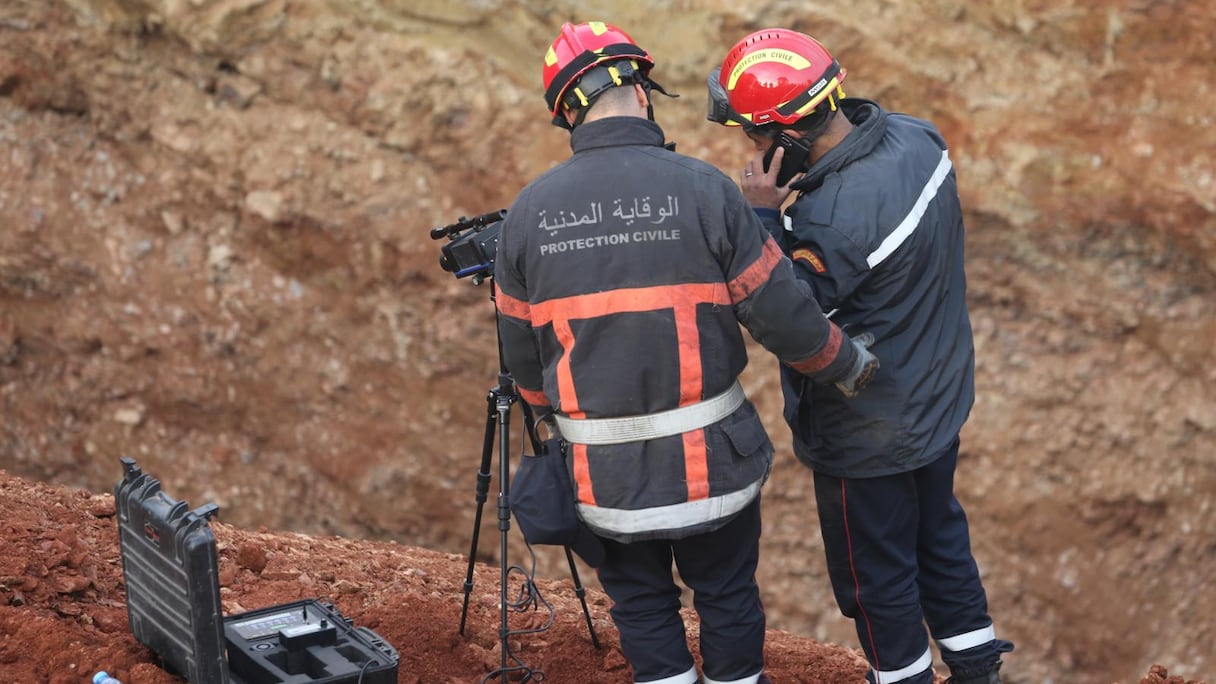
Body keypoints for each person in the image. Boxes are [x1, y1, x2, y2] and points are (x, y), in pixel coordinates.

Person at [494, 21, 879, 684]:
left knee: (641, 605)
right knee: (727, 597)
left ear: (569, 117)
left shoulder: (528, 216)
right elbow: (780, 314)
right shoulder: (705, 191)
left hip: (604, 482)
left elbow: (523, 360)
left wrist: (553, 423)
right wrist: (845, 366)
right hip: (714, 473)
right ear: (643, 94)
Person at [706, 27, 1014, 684]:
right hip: (939, 397)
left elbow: (791, 318)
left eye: (755, 137)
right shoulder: (916, 137)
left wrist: (762, 218)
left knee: (877, 578)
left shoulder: (833, 218)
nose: (753, 154)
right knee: (940, 536)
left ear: (788, 139)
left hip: (869, 431)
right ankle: (979, 669)